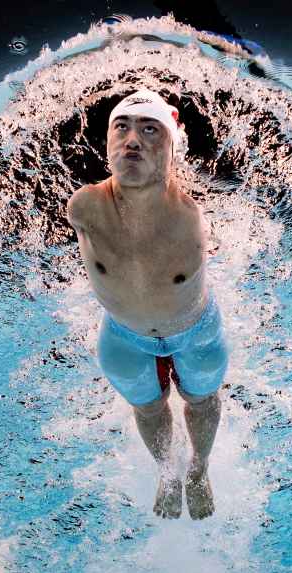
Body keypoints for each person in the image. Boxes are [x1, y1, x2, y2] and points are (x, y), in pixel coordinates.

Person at [65, 89, 229, 520]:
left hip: (195, 331)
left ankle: (199, 469)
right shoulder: (83, 208)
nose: (132, 140)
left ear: (171, 151)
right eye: (121, 128)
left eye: (149, 130)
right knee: (148, 407)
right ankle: (167, 473)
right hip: (124, 337)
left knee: (202, 400)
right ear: (106, 144)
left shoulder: (190, 215)